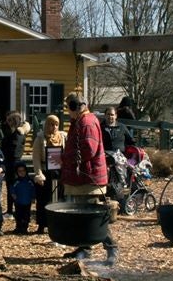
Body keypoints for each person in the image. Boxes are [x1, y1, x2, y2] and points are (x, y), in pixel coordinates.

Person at [61, 92, 118, 265]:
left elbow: (88, 150)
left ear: (74, 107)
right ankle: (85, 248)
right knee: (83, 216)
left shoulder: (86, 122)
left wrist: (63, 158)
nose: (67, 111)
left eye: (68, 107)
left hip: (88, 177)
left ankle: (111, 248)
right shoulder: (81, 121)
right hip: (83, 177)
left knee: (94, 217)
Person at [32, 114, 66, 235]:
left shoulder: (63, 137)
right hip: (45, 171)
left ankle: (58, 224)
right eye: (52, 124)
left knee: (59, 199)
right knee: (43, 200)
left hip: (59, 171)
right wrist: (39, 173)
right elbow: (35, 158)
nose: (54, 127)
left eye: (56, 124)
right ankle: (42, 225)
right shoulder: (40, 138)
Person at [0, 111, 29, 218]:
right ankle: (12, 210)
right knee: (11, 187)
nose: (7, 123)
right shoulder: (16, 134)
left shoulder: (16, 135)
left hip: (13, 164)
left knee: (13, 188)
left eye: (9, 120)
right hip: (13, 163)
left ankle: (12, 211)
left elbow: (13, 151)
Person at [10, 163, 36, 234]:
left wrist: (33, 197)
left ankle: (25, 228)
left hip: (27, 202)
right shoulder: (16, 181)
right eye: (19, 171)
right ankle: (18, 228)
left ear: (26, 171)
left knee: (26, 216)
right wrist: (13, 194)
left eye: (23, 170)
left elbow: (33, 189)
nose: (22, 173)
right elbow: (12, 188)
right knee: (18, 215)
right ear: (17, 172)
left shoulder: (30, 181)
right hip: (18, 202)